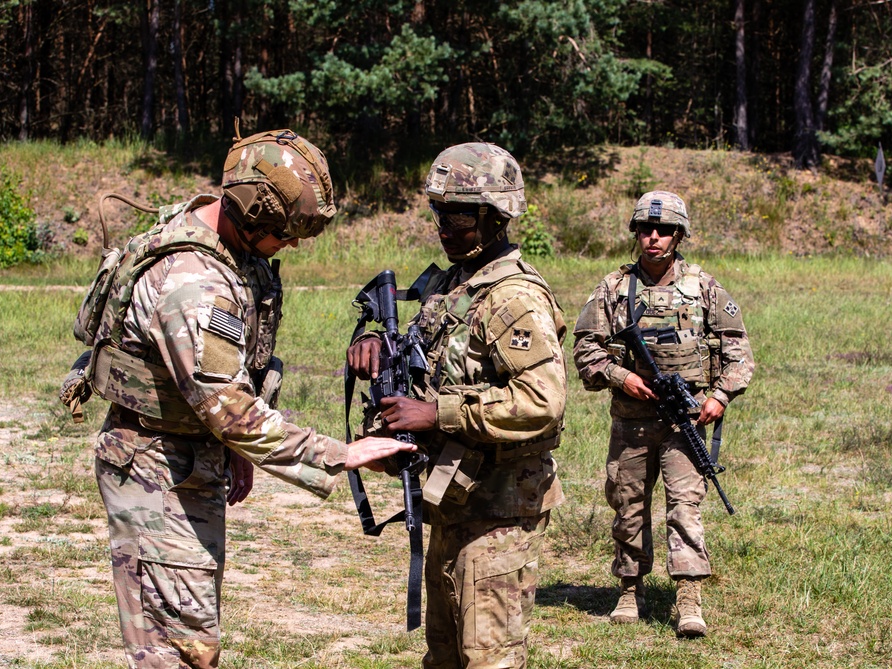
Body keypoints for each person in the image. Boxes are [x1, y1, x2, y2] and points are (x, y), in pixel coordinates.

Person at [67, 128, 413, 668]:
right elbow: (227, 407)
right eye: (286, 232)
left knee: (191, 631)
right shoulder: (193, 282)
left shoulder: (219, 236)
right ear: (253, 212)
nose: (292, 244)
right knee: (179, 651)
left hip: (187, 454)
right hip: (156, 467)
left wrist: (229, 450)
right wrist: (338, 453)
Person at [346, 142, 567, 669]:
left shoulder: (513, 298)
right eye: (439, 213)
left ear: (496, 218)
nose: (444, 227)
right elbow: (432, 364)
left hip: (499, 512)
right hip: (451, 499)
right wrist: (380, 347)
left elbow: (543, 401)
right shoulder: (453, 285)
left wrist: (438, 414)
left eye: (459, 216)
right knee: (443, 657)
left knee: (489, 660)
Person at [572, 190, 754, 637]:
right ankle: (630, 589)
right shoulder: (614, 288)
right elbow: (584, 349)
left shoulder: (703, 286)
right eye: (645, 229)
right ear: (635, 233)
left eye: (664, 230)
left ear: (679, 235)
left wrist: (719, 398)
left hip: (685, 419)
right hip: (632, 421)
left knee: (685, 507)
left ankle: (688, 598)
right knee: (628, 504)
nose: (653, 238)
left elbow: (739, 353)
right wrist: (621, 377)